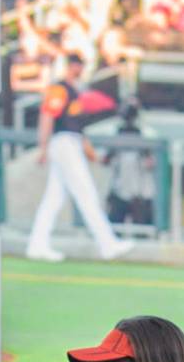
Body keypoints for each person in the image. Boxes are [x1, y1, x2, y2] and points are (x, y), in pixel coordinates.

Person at [26, 53, 134, 262]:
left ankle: (37, 244)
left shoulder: (75, 92)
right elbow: (47, 115)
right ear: (70, 66)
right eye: (78, 65)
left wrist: (90, 153)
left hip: (72, 142)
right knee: (86, 193)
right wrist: (43, 146)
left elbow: (78, 128)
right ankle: (107, 244)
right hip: (63, 143)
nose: (80, 70)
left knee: (54, 199)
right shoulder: (60, 88)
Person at [105, 97, 156, 228]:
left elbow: (153, 161)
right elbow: (106, 159)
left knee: (143, 230)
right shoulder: (115, 133)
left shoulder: (146, 133)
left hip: (141, 192)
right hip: (119, 190)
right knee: (114, 229)